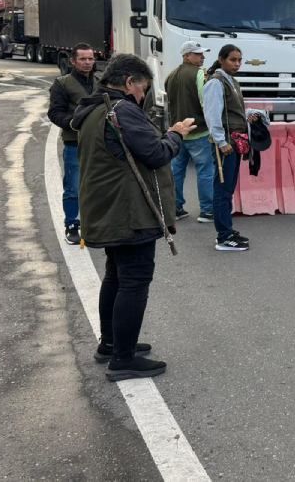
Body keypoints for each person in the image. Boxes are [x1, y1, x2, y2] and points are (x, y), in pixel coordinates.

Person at [72, 53, 195, 381]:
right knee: (134, 281)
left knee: (116, 276)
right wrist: (176, 134)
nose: (143, 96)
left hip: (107, 208)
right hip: (129, 212)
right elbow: (156, 153)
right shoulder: (122, 109)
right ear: (129, 83)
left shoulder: (94, 108)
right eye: (143, 89)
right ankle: (123, 359)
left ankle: (112, 344)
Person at [202, 44, 259, 252]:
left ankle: (227, 230)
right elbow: (212, 114)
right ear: (221, 59)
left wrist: (248, 117)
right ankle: (224, 237)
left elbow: (232, 111)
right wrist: (221, 141)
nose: (237, 64)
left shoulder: (231, 80)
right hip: (225, 144)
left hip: (234, 142)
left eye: (239, 60)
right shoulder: (216, 82)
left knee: (228, 190)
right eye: (232, 60)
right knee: (222, 190)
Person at [47, 44, 97, 245]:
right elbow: (54, 112)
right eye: (83, 59)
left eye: (90, 59)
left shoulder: (100, 82)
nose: (87, 63)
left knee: (96, 185)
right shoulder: (62, 83)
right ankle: (72, 224)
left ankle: (93, 223)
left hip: (98, 144)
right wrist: (73, 123)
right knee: (73, 187)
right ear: (73, 61)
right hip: (74, 143)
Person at [166, 41, 215, 223]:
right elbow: (205, 103)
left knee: (176, 171)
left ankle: (175, 208)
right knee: (205, 171)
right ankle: (207, 211)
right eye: (198, 54)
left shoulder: (171, 75)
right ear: (187, 56)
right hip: (198, 130)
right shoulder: (200, 74)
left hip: (178, 132)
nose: (203, 57)